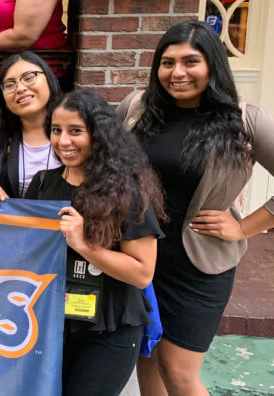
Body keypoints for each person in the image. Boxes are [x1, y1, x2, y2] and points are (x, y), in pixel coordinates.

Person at [116, 21, 274, 396]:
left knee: (179, 370)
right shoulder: (137, 108)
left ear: (213, 65)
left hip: (198, 265)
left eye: (191, 61)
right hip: (140, 258)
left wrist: (244, 227)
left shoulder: (243, 120)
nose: (178, 73)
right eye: (167, 63)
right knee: (147, 359)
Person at [25, 90, 165, 396]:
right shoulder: (43, 183)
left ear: (98, 135)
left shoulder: (127, 191)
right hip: (50, 326)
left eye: (76, 131)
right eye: (56, 130)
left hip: (109, 330)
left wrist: (85, 244)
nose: (63, 141)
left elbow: (142, 273)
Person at [0, 51, 62, 201]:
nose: (20, 88)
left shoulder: (74, 133)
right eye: (10, 85)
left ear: (49, 79)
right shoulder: (0, 138)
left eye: (29, 78)